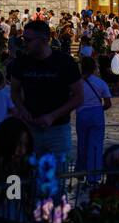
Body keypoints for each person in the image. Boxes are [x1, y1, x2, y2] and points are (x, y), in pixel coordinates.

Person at [8, 19, 83, 165]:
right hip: (30, 128)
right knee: (31, 175)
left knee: (57, 178)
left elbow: (79, 96)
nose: (25, 43)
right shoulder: (21, 62)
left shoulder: (65, 62)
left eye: (28, 40)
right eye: (24, 39)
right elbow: (14, 91)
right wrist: (22, 110)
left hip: (57, 129)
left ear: (43, 40)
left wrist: (52, 116)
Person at [75, 56, 111, 178]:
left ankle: (81, 171)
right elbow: (108, 103)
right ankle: (94, 176)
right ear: (94, 68)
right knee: (95, 145)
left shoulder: (77, 83)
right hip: (97, 113)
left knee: (82, 144)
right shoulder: (101, 83)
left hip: (81, 113)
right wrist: (99, 109)